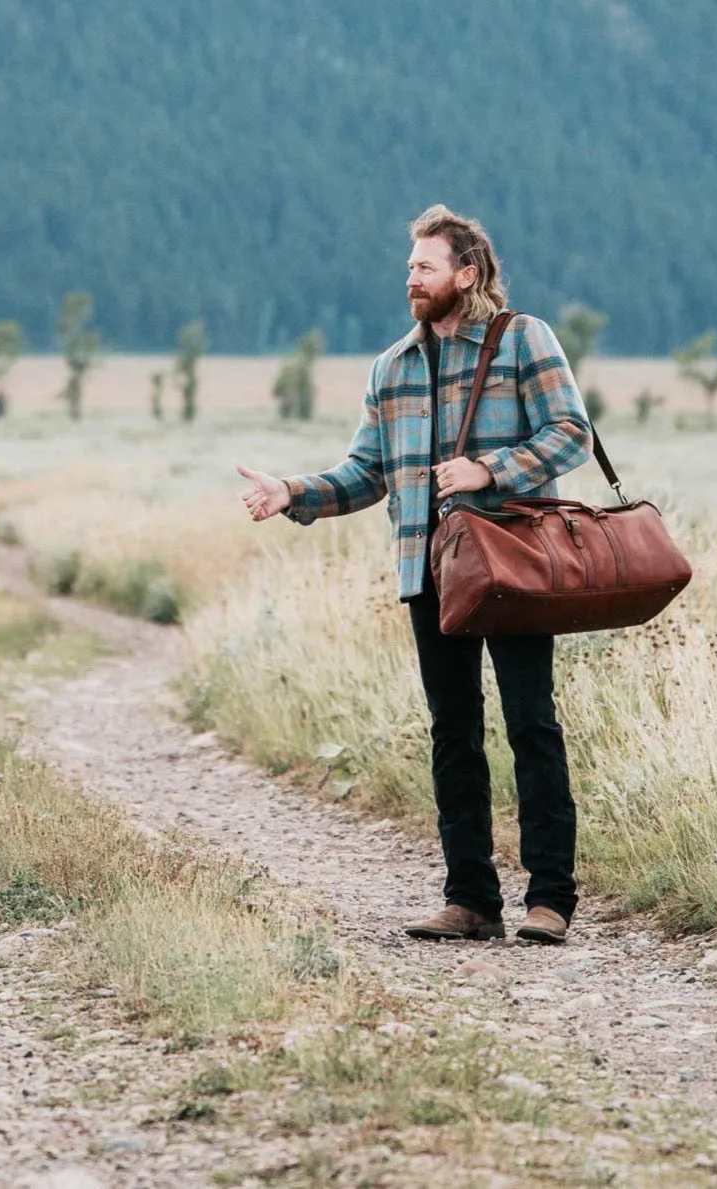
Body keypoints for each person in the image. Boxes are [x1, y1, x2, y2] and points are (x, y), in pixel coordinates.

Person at [237, 204, 593, 945]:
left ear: (467, 274)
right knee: (452, 731)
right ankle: (470, 900)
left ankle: (549, 899)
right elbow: (367, 473)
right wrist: (293, 492)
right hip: (429, 570)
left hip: (516, 561)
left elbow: (570, 433)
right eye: (409, 266)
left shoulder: (521, 340)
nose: (412, 277)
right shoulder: (390, 367)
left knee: (531, 722)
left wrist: (486, 468)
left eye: (426, 266)